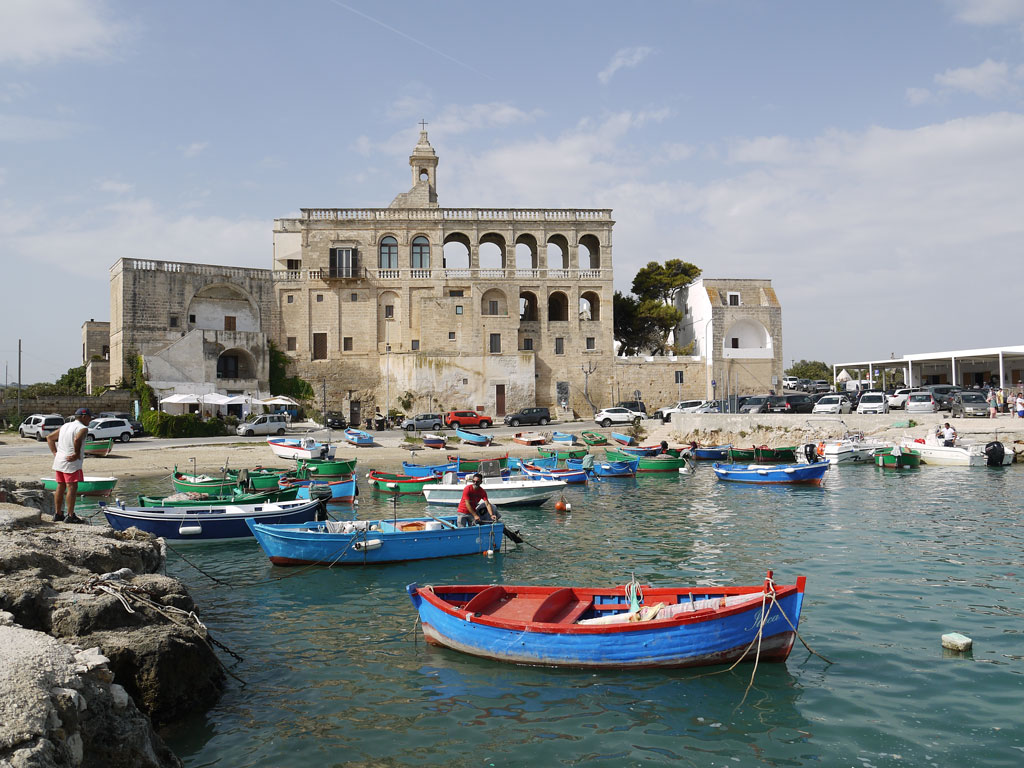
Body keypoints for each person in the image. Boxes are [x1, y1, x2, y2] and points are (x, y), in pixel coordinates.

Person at [46, 407, 91, 523]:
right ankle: (70, 515)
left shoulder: (65, 426)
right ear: (84, 417)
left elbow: (49, 438)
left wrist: (55, 453)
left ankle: (58, 513)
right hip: (71, 462)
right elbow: (77, 440)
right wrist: (76, 453)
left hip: (59, 460)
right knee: (72, 487)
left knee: (60, 486)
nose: (90, 421)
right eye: (90, 418)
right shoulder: (83, 428)